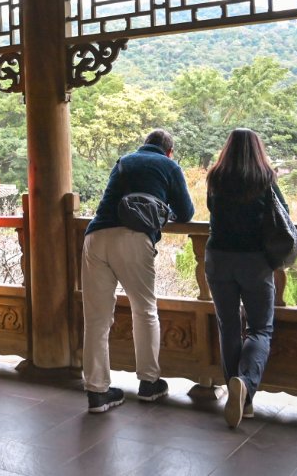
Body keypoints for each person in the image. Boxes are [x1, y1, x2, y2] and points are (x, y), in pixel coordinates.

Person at [81, 128, 194, 413]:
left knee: (96, 318)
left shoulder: (124, 161)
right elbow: (187, 211)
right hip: (133, 237)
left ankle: (97, 391)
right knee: (144, 310)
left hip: (95, 237)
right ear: (169, 151)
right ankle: (148, 383)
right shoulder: (169, 166)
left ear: (144, 145)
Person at [204, 128, 285, 429]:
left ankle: (237, 396)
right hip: (254, 260)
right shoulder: (265, 179)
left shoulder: (216, 177)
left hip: (218, 258)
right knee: (260, 329)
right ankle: (246, 387)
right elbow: (282, 216)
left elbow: (213, 211)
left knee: (228, 326)